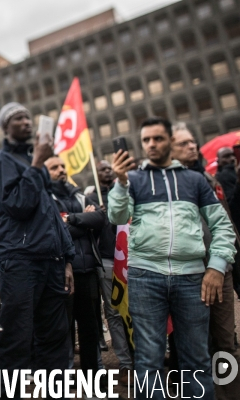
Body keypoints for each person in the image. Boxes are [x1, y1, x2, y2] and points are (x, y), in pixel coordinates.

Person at [109, 117, 237, 399]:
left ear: (169, 140)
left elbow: (222, 227)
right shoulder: (134, 180)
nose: (151, 144)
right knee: (148, 360)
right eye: (146, 140)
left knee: (197, 359)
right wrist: (120, 184)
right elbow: (116, 216)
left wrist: (216, 267)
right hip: (145, 277)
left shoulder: (195, 181)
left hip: (192, 278)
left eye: (158, 138)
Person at [0, 102, 75, 398]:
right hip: (21, 262)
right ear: (4, 128)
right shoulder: (0, 162)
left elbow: (50, 213)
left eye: (27, 117)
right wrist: (37, 164)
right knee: (16, 338)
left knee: (54, 338)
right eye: (17, 118)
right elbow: (18, 206)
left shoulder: (32, 162)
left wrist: (67, 260)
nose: (26, 122)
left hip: (50, 261)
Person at [170, 124, 240, 400]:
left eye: (192, 142)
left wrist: (225, 263)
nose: (191, 146)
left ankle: (231, 394)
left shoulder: (211, 181)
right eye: (183, 143)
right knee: (195, 346)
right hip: (187, 278)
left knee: (226, 343)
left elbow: (226, 225)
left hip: (221, 271)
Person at [45, 155, 106, 384]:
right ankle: (64, 383)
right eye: (54, 167)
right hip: (61, 274)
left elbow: (99, 218)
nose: (61, 169)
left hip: (88, 272)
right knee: (64, 331)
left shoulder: (81, 195)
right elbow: (53, 232)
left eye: (62, 165)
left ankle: (96, 385)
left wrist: (69, 219)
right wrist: (83, 221)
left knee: (91, 330)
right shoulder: (45, 199)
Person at [86, 161, 134, 377]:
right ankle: (125, 363)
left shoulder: (125, 192)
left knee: (136, 310)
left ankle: (143, 356)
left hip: (131, 259)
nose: (106, 172)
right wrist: (98, 215)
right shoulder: (90, 199)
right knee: (113, 312)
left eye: (109, 169)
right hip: (106, 261)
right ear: (95, 174)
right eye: (102, 169)